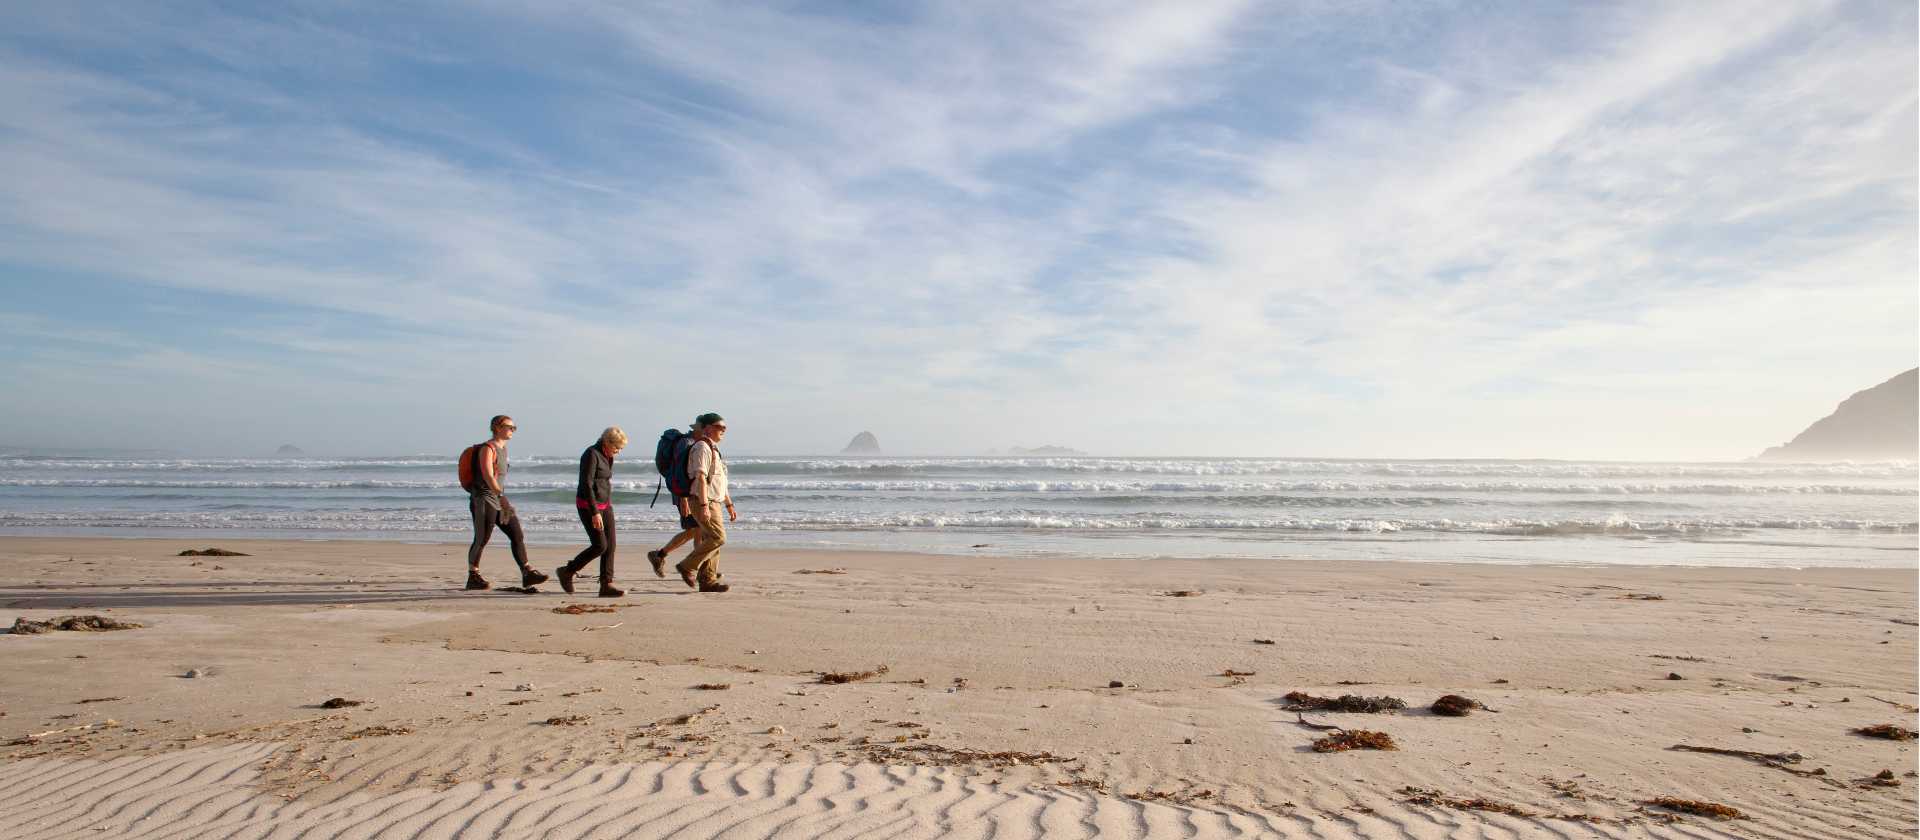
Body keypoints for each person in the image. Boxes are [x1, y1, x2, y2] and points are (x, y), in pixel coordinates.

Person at [466, 415, 548, 591]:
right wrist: (502, 497)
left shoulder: (503, 449)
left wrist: (502, 498)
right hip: (483, 499)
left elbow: (498, 477)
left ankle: (528, 572)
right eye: (509, 427)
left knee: (516, 533)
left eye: (514, 427)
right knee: (482, 538)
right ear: (497, 427)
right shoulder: (488, 448)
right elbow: (488, 475)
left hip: (497, 497)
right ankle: (473, 576)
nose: (512, 430)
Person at [557, 426, 627, 597]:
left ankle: (606, 585)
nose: (618, 451)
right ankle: (567, 570)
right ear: (607, 442)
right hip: (588, 506)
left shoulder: (606, 455)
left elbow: (603, 481)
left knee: (610, 546)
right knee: (600, 545)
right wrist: (594, 512)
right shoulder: (591, 454)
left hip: (605, 505)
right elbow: (586, 484)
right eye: (617, 447)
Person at [674, 412, 737, 592]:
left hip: (713, 501)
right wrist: (703, 506)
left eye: (725, 428)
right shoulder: (702, 447)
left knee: (713, 539)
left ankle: (707, 580)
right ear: (708, 428)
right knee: (718, 538)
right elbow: (701, 478)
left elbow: (719, 481)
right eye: (720, 427)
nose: (723, 430)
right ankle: (687, 566)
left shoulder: (713, 448)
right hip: (704, 500)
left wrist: (729, 504)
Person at [645, 417, 711, 578]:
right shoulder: (686, 443)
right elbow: (679, 473)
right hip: (685, 494)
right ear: (699, 429)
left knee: (693, 531)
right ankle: (701, 571)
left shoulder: (694, 443)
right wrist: (683, 499)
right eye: (706, 430)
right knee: (697, 531)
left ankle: (659, 555)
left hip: (690, 493)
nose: (708, 434)